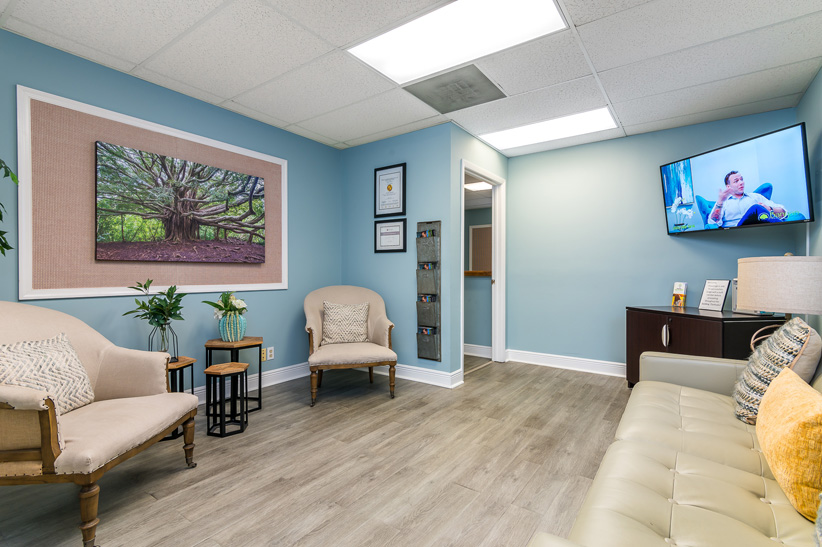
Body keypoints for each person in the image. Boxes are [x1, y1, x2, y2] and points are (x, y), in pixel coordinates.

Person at [707, 171, 786, 228]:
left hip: (758, 228)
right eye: (736, 181)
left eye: (741, 179)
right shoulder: (723, 202)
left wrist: (769, 208)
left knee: (759, 209)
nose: (741, 182)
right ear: (728, 186)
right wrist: (720, 201)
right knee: (756, 208)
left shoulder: (755, 197)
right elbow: (713, 222)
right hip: (736, 231)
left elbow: (784, 213)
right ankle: (783, 228)